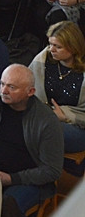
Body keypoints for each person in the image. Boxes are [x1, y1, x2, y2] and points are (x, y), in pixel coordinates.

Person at [0, 63, 63, 214]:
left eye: (12, 87)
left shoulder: (47, 121)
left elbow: (51, 170)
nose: (4, 91)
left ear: (30, 92)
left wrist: (11, 178)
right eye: (2, 84)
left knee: (1, 208)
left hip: (25, 181)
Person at [29, 22, 85, 153]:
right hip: (42, 115)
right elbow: (26, 84)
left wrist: (65, 118)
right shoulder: (43, 59)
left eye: (58, 46)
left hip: (76, 125)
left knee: (49, 130)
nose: (51, 49)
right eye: (50, 44)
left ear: (73, 48)